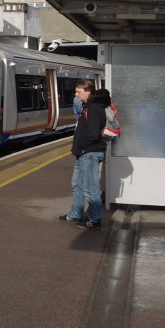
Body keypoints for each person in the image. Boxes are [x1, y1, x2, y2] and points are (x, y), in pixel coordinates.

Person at [60, 80, 106, 230]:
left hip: (89, 153)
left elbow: (93, 134)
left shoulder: (93, 109)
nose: (75, 94)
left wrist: (80, 146)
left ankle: (94, 219)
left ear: (88, 91)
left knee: (90, 188)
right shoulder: (87, 107)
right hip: (84, 153)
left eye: (78, 91)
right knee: (77, 184)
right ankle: (75, 213)